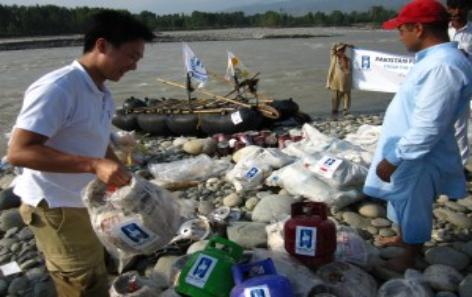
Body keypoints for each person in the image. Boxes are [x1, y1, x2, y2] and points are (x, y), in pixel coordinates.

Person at [7, 11, 154, 296]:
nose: (133, 66)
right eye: (131, 56)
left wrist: (123, 177)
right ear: (102, 45)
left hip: (88, 201)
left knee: (102, 267)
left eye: (138, 59)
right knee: (81, 283)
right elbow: (18, 152)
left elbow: (95, 141)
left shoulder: (101, 91)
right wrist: (93, 165)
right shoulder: (59, 88)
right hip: (56, 206)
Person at [363, 0, 472, 272]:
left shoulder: (444, 66)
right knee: (401, 195)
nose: (400, 36)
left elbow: (429, 124)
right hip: (407, 145)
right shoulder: (433, 60)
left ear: (419, 28)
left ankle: (411, 255)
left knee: (414, 198)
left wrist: (395, 157)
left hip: (418, 152)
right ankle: (403, 239)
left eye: (402, 30)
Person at [447, 0, 472, 169]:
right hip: (445, 84)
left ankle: (461, 167)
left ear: (468, 9)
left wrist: (466, 56)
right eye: (453, 7)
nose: (457, 11)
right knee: (444, 125)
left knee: (461, 126)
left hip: (467, 84)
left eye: (461, 7)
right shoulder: (442, 30)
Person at [326, 43, 353, 116]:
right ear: (337, 51)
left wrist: (349, 46)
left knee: (347, 96)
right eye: (340, 50)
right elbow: (332, 48)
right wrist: (344, 44)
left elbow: (352, 70)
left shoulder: (348, 59)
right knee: (336, 97)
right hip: (336, 81)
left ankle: (346, 110)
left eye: (343, 50)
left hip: (347, 81)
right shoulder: (334, 58)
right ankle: (335, 111)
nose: (342, 51)